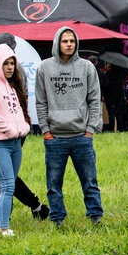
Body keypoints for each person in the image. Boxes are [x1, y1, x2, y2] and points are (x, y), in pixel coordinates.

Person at [35, 27, 103, 226]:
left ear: (77, 43)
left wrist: (90, 129)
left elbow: (94, 99)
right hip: (55, 137)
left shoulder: (87, 67)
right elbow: (40, 101)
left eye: (72, 41)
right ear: (57, 43)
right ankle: (57, 218)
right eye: (65, 41)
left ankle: (95, 216)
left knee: (90, 181)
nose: (69, 44)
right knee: (54, 183)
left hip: (82, 135)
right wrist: (46, 131)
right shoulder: (44, 68)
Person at [0, 34, 49, 221]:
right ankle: (37, 208)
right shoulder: (3, 71)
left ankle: (10, 215)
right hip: (7, 128)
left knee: (2, 176)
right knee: (4, 175)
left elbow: (12, 105)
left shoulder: (14, 71)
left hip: (12, 130)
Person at [0, 44, 32, 237]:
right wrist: (7, 128)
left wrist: (24, 127)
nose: (9, 67)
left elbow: (18, 112)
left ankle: (3, 224)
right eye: (5, 63)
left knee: (9, 184)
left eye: (12, 63)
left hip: (16, 144)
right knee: (7, 185)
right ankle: (2, 227)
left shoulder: (13, 85)